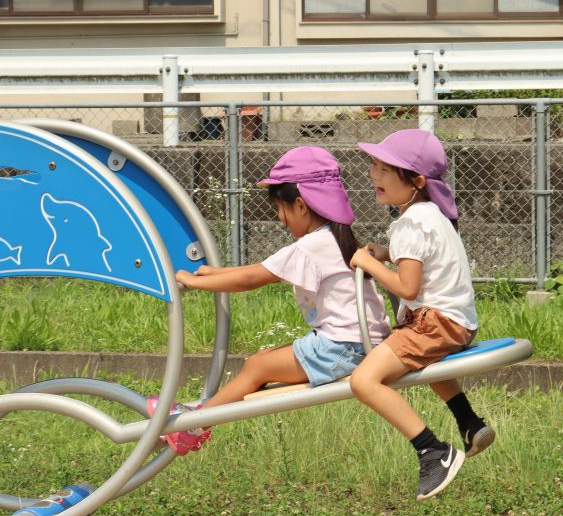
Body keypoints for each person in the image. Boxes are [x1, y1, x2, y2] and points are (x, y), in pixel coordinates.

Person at [149, 146, 391, 455]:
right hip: (356, 343)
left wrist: (195, 281)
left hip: (344, 348)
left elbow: (255, 278)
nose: (280, 219)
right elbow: (259, 269)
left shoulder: (312, 246)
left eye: (280, 208)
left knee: (257, 365)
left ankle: (193, 425)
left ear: (301, 205)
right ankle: (201, 411)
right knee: (264, 359)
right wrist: (214, 272)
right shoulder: (334, 236)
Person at [349, 129, 494, 501]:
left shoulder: (411, 223)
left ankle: (433, 452)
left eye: (383, 169)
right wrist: (384, 252)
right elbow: (421, 266)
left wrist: (367, 261)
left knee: (364, 381)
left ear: (415, 182)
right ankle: (469, 423)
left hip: (434, 322)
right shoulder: (429, 214)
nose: (373, 174)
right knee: (418, 364)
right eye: (374, 166)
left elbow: (408, 288)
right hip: (455, 321)